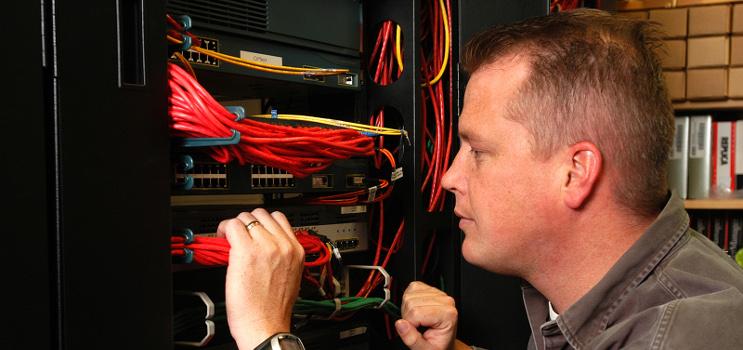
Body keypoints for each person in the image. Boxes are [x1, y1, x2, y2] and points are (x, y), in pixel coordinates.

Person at [219, 8, 743, 350]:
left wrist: (268, 337)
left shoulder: (684, 335)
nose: (447, 177)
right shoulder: (621, 296)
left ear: (575, 172)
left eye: (478, 150)